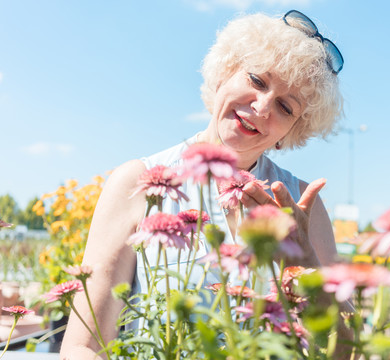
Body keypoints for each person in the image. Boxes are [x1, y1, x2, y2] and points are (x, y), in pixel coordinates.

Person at [60, 9, 347, 359]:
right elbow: (83, 345)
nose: (261, 107)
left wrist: (305, 257)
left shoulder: (304, 204)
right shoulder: (137, 181)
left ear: (291, 132)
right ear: (224, 74)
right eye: (257, 81)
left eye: (286, 107)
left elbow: (345, 350)